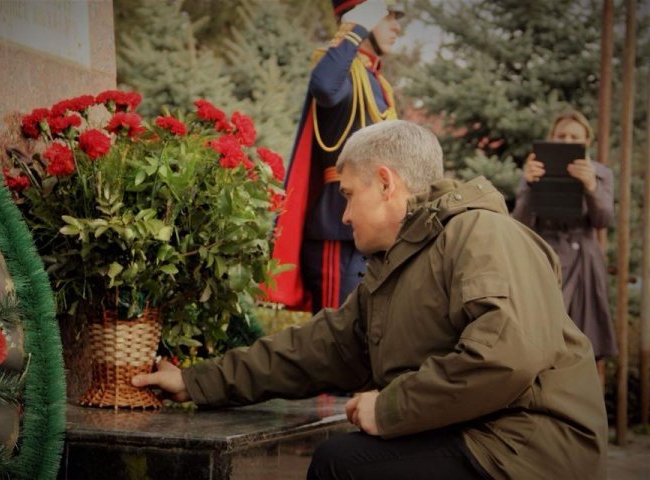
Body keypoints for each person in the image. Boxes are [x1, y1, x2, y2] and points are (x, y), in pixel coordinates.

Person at [134, 120, 608, 479]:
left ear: (386, 183)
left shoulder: (482, 233)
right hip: (483, 430)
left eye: (348, 194)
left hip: (531, 443)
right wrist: (196, 381)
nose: (342, 215)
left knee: (343, 463)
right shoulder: (398, 263)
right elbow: (317, 349)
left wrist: (390, 408)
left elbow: (505, 356)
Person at [266, 0, 403, 313]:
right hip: (338, 226)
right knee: (332, 336)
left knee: (361, 335)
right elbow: (325, 87)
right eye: (389, 16)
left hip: (375, 225)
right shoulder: (342, 71)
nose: (397, 27)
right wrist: (355, 28)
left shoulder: (375, 81)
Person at [512, 108, 617, 380]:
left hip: (584, 263)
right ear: (552, 138)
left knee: (588, 341)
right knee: (544, 343)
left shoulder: (601, 173)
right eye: (562, 136)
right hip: (546, 261)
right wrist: (531, 186)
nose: (567, 142)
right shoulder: (535, 170)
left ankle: (591, 415)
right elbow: (518, 223)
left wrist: (591, 186)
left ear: (586, 142)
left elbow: (603, 219)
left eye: (575, 137)